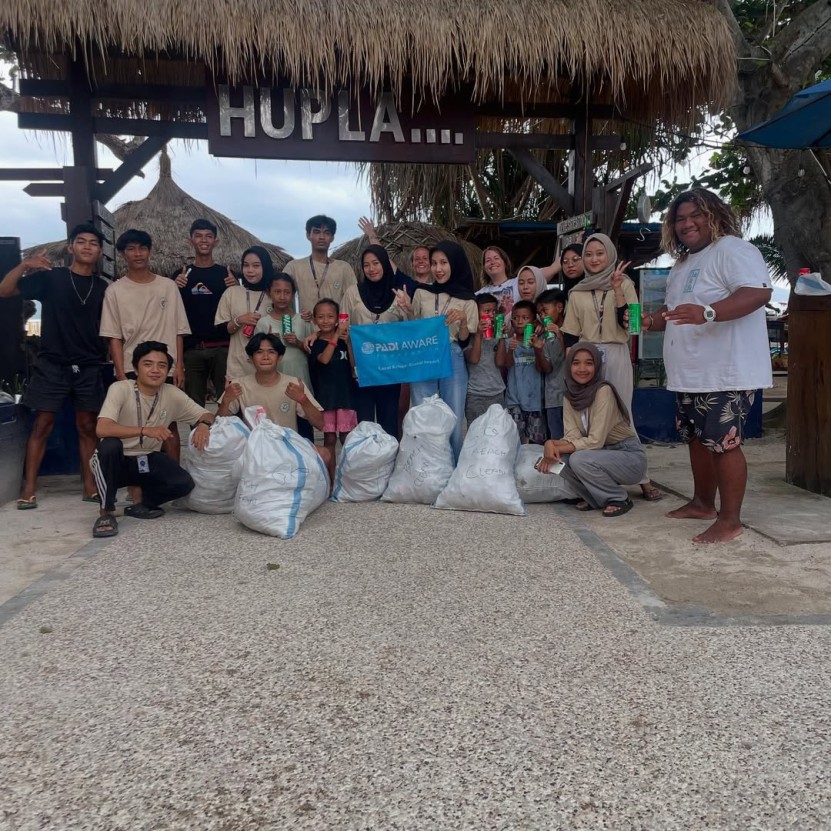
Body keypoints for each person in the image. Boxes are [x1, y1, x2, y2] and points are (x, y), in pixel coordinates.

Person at [645, 188, 773, 544]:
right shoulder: (683, 264)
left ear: (713, 215)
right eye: (680, 219)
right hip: (690, 372)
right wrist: (649, 320)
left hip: (726, 371)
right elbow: (675, 311)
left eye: (694, 216)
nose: (687, 224)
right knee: (698, 440)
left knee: (723, 443)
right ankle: (703, 503)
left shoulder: (733, 250)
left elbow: (758, 292)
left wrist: (709, 313)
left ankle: (730, 520)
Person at [0, 224, 109, 509]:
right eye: (81, 242)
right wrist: (24, 264)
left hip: (88, 365)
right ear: (71, 247)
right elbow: (5, 289)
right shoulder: (53, 278)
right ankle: (29, 488)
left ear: (100, 251)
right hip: (52, 363)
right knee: (42, 425)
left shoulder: (102, 287)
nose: (87, 247)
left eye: (93, 243)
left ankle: (89, 486)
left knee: (87, 427)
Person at [561, 232, 663, 502]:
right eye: (589, 254)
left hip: (616, 353)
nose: (594, 259)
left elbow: (632, 325)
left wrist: (617, 289)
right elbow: (570, 335)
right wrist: (572, 367)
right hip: (586, 357)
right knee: (588, 415)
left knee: (622, 413)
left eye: (599, 253)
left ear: (610, 255)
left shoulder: (625, 283)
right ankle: (594, 477)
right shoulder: (576, 292)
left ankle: (642, 477)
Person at [89, 341, 215, 538]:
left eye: (162, 365)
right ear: (136, 368)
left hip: (145, 459)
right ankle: (106, 511)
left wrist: (203, 425)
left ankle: (141, 503)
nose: (155, 370)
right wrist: (145, 430)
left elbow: (207, 414)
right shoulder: (121, 388)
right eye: (148, 364)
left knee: (183, 483)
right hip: (116, 461)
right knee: (109, 446)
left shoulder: (171, 393)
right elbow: (102, 428)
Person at [100, 228, 191, 461]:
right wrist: (121, 374)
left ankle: (172, 477)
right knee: (134, 426)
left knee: (168, 425)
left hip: (164, 366)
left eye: (142, 248)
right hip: (132, 368)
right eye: (131, 249)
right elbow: (114, 337)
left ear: (149, 251)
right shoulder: (115, 291)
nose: (137, 254)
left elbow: (179, 329)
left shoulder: (168, 287)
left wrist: (179, 365)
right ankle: (137, 483)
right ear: (122, 254)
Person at [537, 342, 647, 517]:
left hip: (628, 456)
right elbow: (572, 435)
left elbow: (595, 440)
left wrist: (554, 446)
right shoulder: (569, 396)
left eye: (589, 363)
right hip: (598, 454)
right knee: (556, 463)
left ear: (597, 365)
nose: (582, 368)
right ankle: (594, 498)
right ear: (569, 366)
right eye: (576, 363)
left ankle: (618, 497)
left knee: (579, 459)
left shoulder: (603, 391)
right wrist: (550, 444)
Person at [217, 332, 331, 479]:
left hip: (288, 448)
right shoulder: (239, 385)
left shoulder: (294, 384)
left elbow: (320, 424)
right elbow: (218, 426)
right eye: (259, 352)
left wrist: (303, 399)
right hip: (254, 452)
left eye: (271, 352)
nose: (265, 357)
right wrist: (226, 400)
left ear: (280, 358)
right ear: (251, 358)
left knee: (325, 454)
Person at [411, 241, 479, 462]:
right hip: (424, 356)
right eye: (434, 263)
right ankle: (424, 469)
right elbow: (413, 328)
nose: (438, 269)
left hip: (453, 356)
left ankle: (454, 470)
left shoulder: (468, 300)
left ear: (455, 264)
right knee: (423, 414)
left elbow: (464, 340)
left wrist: (462, 321)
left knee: (454, 416)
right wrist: (406, 310)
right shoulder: (421, 293)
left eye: (444, 262)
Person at [341, 245, 412, 437]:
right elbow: (343, 324)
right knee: (364, 425)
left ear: (384, 264)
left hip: (390, 371)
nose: (371, 269)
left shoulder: (399, 295)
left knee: (389, 424)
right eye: (366, 265)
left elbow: (411, 331)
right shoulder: (352, 293)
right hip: (360, 371)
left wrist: (409, 310)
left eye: (376, 263)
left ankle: (388, 466)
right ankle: (368, 465)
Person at [172, 219, 237, 407]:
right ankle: (198, 437)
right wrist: (173, 287)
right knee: (193, 408)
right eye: (198, 236)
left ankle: (227, 437)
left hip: (223, 349)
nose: (204, 240)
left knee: (228, 405)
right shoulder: (182, 275)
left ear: (215, 241)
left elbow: (238, 308)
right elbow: (170, 311)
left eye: (208, 236)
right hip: (192, 351)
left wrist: (236, 287)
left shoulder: (226, 274)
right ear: (190, 240)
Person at [254, 271, 315, 440]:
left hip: (301, 384)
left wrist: (297, 343)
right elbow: (255, 356)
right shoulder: (263, 323)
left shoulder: (303, 320)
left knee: (304, 435)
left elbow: (313, 352)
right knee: (275, 436)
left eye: (287, 292)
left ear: (293, 294)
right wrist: (268, 345)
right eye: (277, 292)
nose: (282, 296)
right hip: (273, 389)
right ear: (269, 293)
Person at [309, 299, 358, 461]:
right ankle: (330, 478)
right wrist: (336, 336)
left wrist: (348, 342)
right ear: (314, 320)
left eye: (330, 316)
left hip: (346, 397)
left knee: (347, 437)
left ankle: (349, 474)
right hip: (326, 399)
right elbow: (324, 359)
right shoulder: (315, 343)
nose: (325, 321)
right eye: (321, 317)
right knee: (329, 439)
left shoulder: (344, 341)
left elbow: (353, 365)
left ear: (337, 319)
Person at [215, 246, 274, 381]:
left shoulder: (274, 295)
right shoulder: (232, 293)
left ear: (265, 267)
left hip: (268, 368)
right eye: (246, 265)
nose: (250, 270)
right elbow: (220, 330)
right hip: (237, 369)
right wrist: (239, 320)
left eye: (256, 266)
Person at [283, 215, 357, 321]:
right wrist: (297, 317)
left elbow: (353, 302)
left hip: (334, 332)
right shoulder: (294, 267)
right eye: (317, 232)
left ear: (332, 237)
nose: (322, 237)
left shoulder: (343, 268)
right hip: (304, 332)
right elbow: (281, 300)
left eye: (327, 233)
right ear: (309, 235)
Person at [497, 300, 545, 445]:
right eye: (516, 318)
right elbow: (506, 365)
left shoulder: (539, 342)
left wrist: (537, 349)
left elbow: (542, 368)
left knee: (536, 443)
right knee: (514, 441)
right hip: (514, 401)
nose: (520, 321)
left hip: (535, 401)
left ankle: (533, 468)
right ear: (511, 322)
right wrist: (511, 350)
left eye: (525, 318)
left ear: (534, 322)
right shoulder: (508, 342)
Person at [464, 293, 505, 423]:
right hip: (475, 394)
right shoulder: (468, 336)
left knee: (497, 433)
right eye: (487, 311)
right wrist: (478, 335)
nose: (492, 315)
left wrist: (502, 338)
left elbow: (500, 362)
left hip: (497, 392)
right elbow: (474, 359)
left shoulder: (496, 334)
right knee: (476, 433)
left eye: (494, 311)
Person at [534, 288, 568, 439]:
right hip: (553, 398)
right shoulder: (544, 336)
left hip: (573, 398)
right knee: (557, 440)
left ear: (559, 308)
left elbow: (570, 356)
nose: (542, 316)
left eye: (545, 311)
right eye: (540, 313)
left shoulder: (572, 330)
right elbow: (547, 368)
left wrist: (560, 334)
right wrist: (538, 350)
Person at [476, 246, 516, 314]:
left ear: (505, 262)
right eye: (488, 260)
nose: (492, 262)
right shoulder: (479, 294)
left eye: (496, 258)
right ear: (484, 267)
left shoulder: (518, 283)